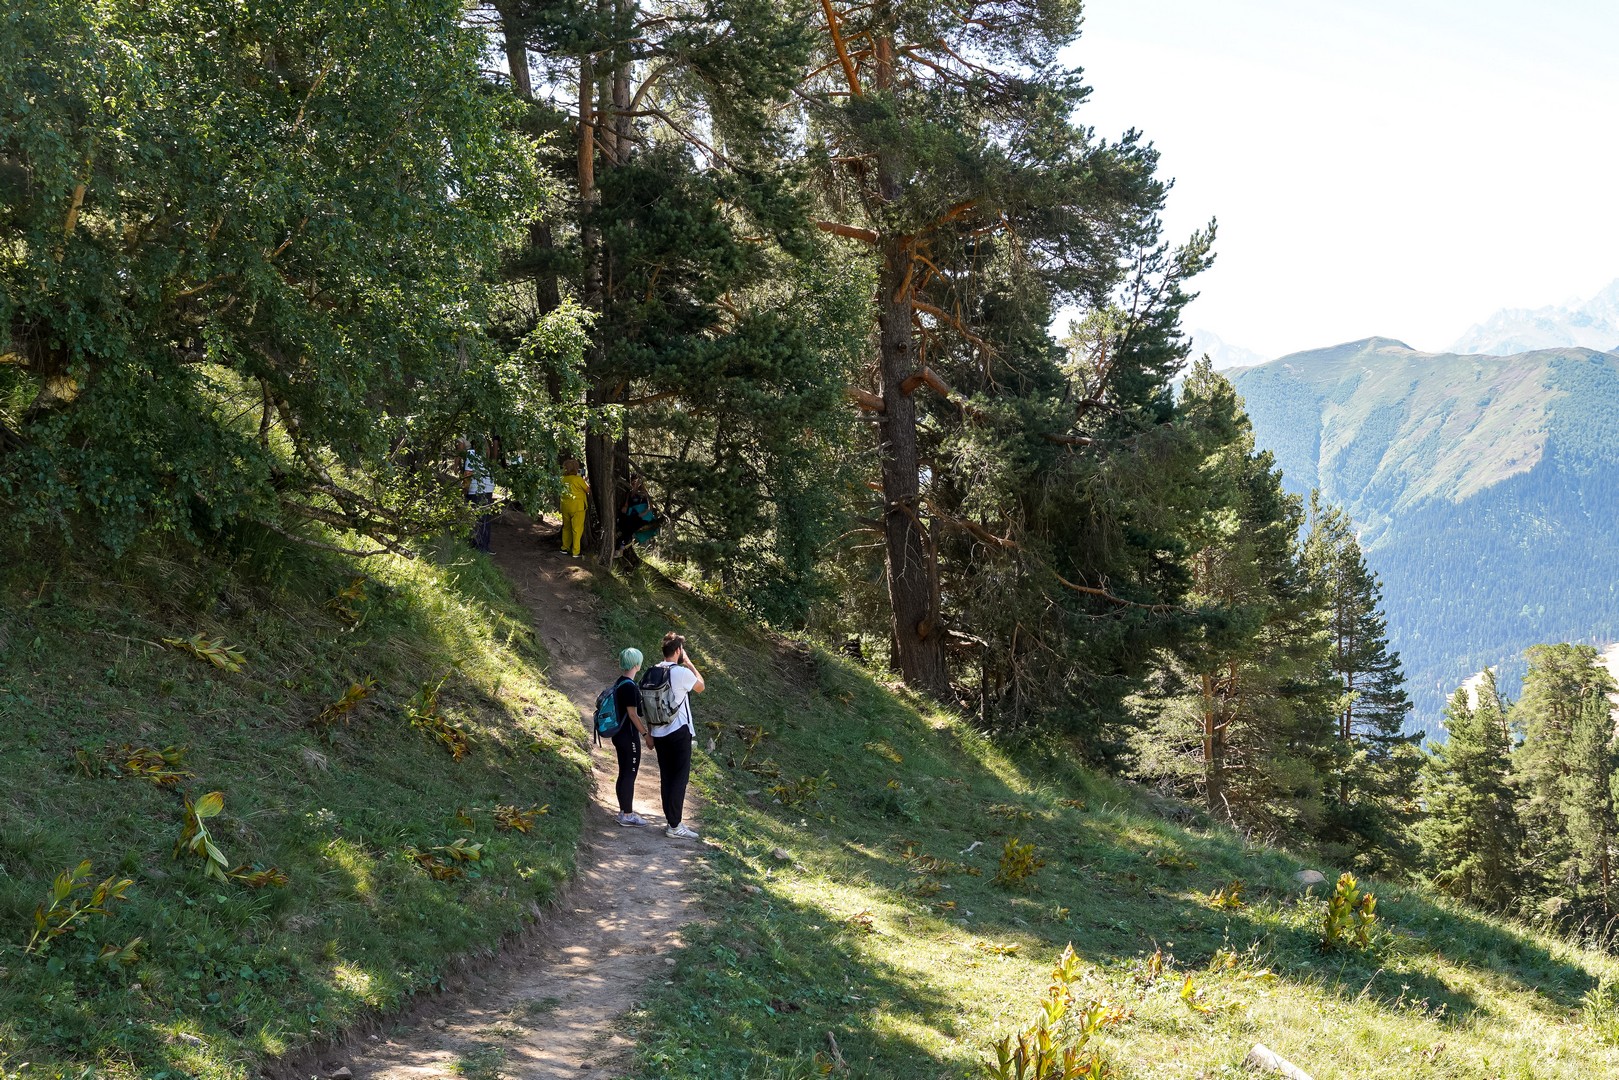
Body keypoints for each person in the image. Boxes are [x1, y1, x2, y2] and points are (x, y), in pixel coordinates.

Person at [640, 632, 704, 839]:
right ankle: (675, 826)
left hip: (658, 733)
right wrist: (689, 663)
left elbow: (649, 706)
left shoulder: (652, 672)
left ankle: (671, 821)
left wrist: (649, 733)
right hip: (678, 732)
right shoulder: (681, 673)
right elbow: (700, 686)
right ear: (678, 651)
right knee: (680, 778)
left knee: (667, 777)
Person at [610, 648, 653, 827]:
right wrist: (645, 735)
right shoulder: (629, 686)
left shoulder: (620, 682)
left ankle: (623, 811)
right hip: (628, 737)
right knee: (629, 773)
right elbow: (633, 715)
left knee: (624, 772)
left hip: (619, 735)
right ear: (637, 664)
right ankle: (627, 815)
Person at [459, 437, 495, 554]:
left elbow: (468, 474)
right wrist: (465, 489)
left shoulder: (479, 457)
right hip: (481, 491)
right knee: (481, 519)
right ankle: (481, 547)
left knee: (482, 519)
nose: (487, 449)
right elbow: (468, 474)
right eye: (485, 446)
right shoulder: (476, 456)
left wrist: (464, 490)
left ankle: (482, 547)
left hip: (482, 491)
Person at [558, 458, 589, 558]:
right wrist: (584, 481)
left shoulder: (562, 479)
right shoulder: (578, 479)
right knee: (577, 529)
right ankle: (576, 551)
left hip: (565, 506)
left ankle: (564, 547)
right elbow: (588, 490)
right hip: (578, 507)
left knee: (566, 528)